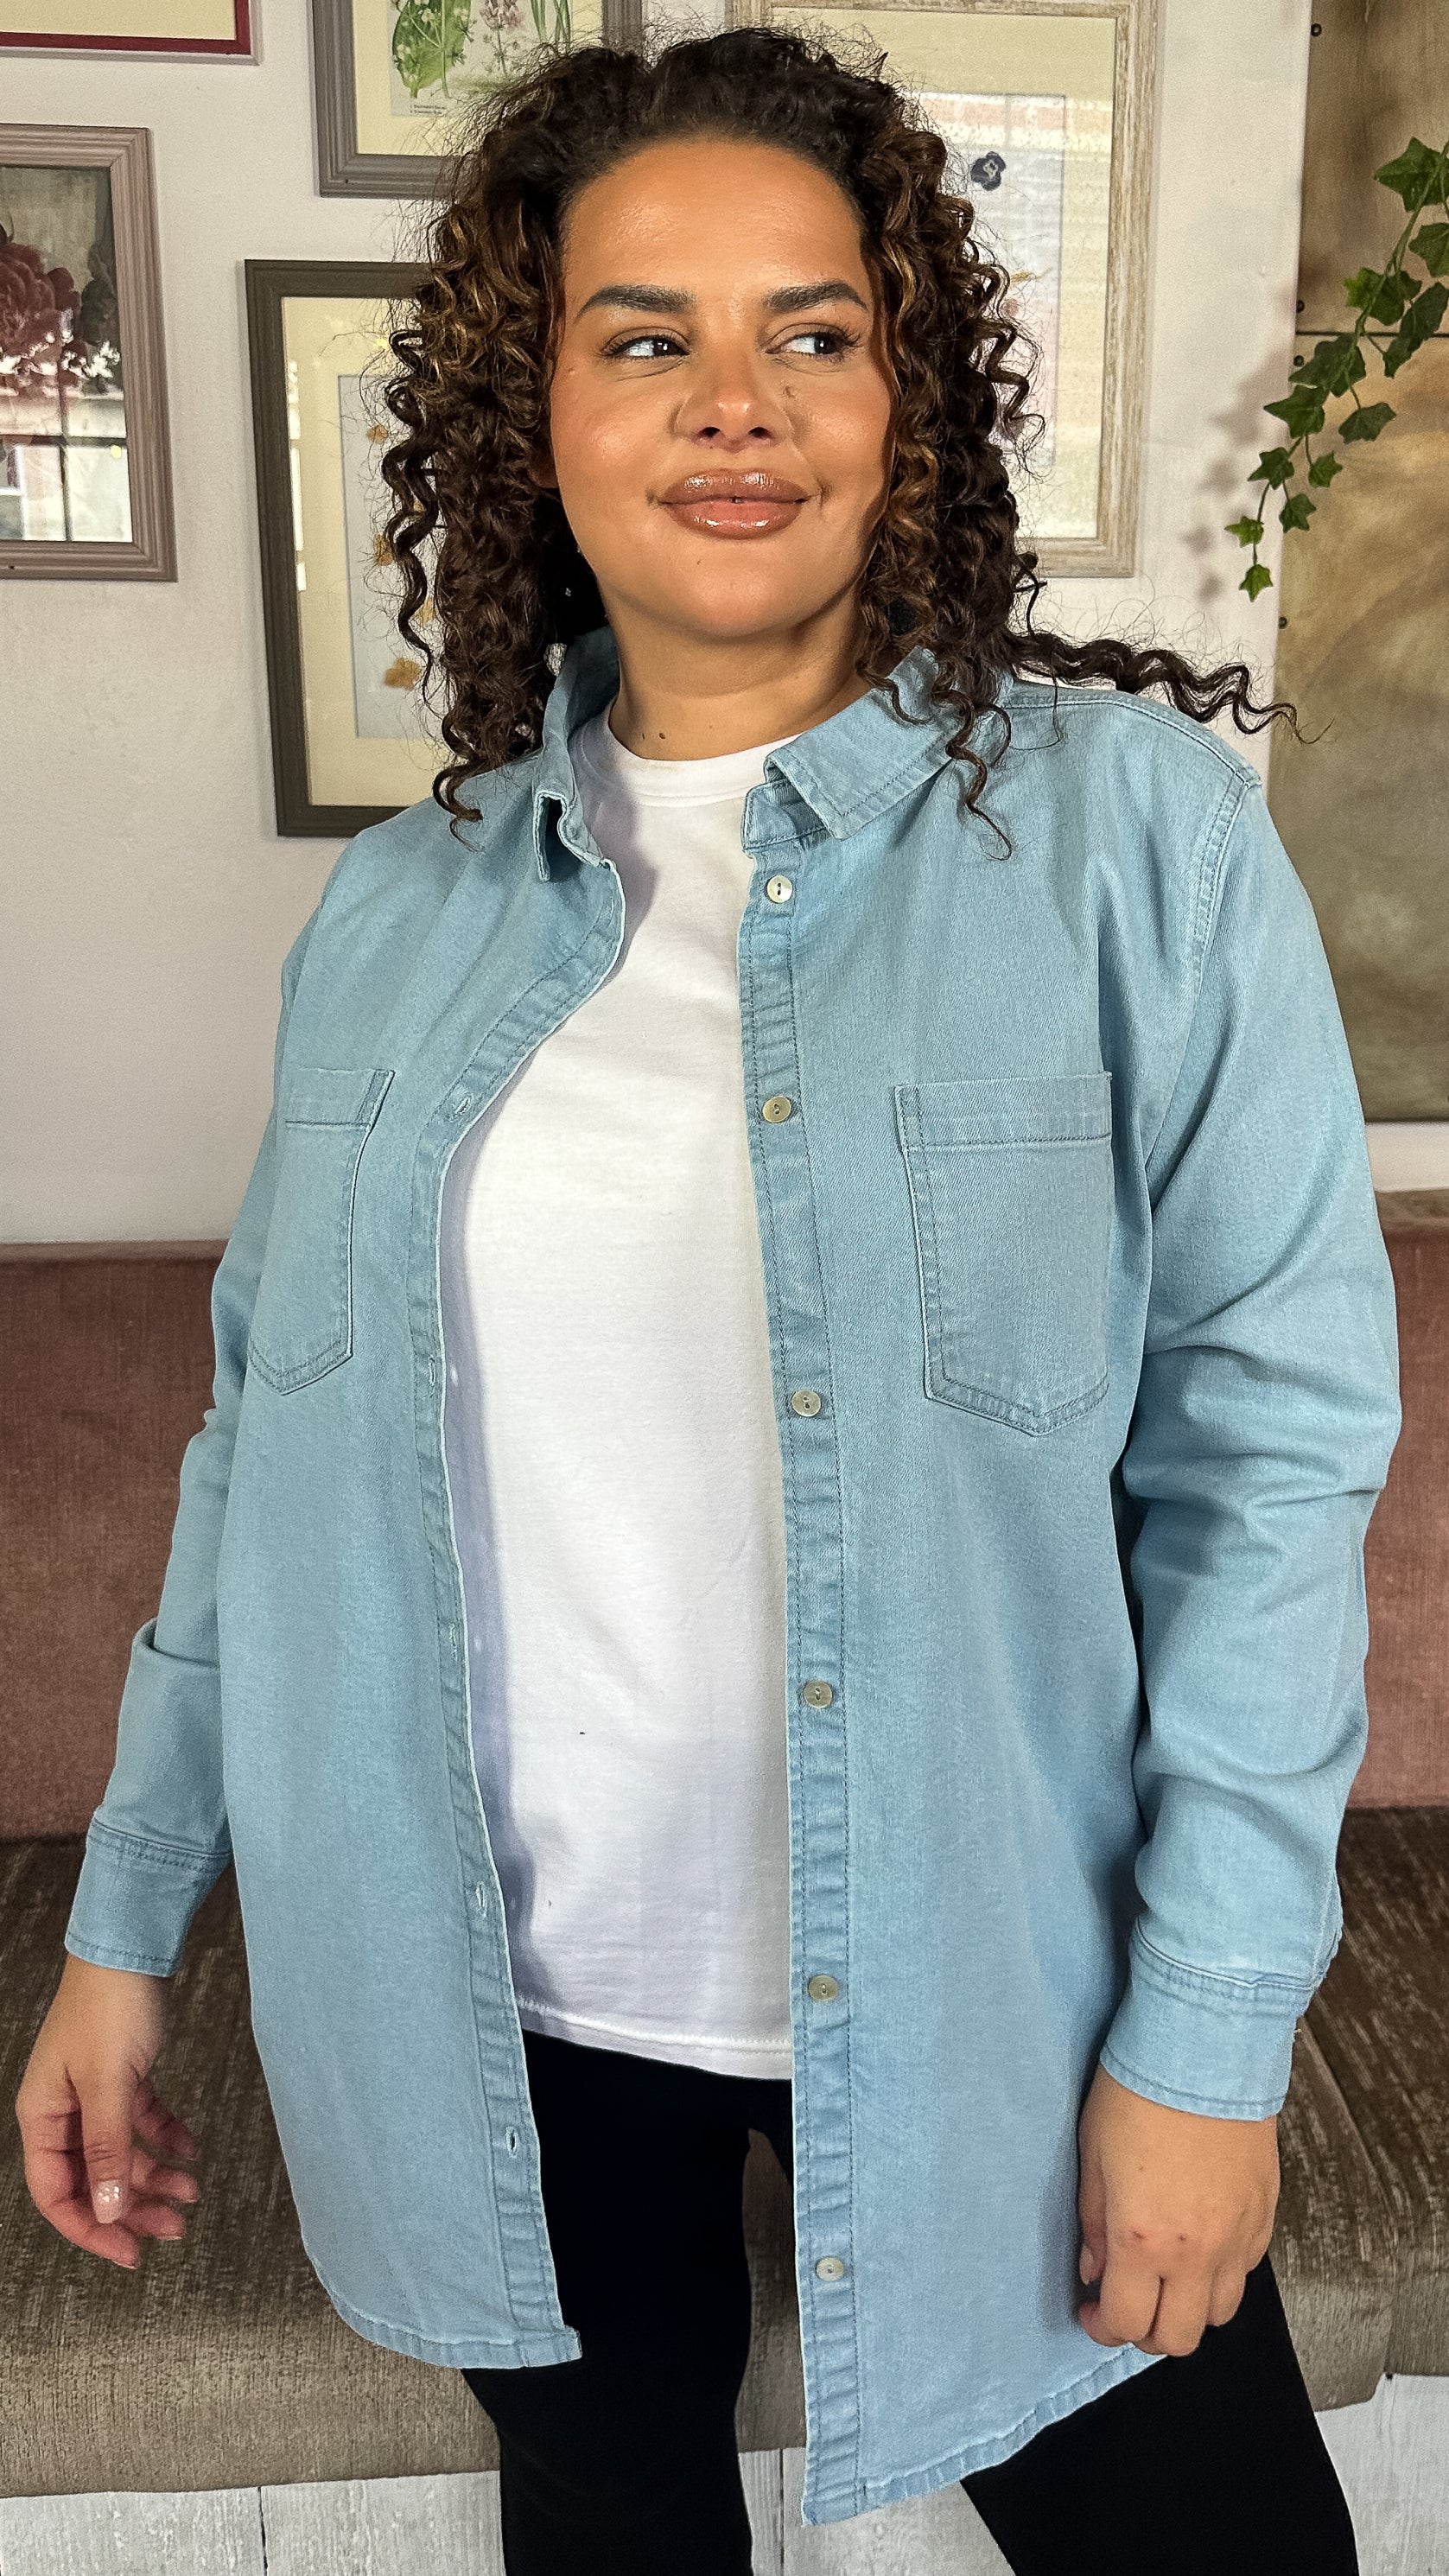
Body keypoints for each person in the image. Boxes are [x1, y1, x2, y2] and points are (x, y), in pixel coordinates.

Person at [16, 26, 1401, 2576]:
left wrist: (1209, 2040)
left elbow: (1271, 1473)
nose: (733, 403)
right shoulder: (401, 915)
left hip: (995, 1982)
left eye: (816, 330)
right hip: (495, 2012)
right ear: (529, 411)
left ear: (907, 398)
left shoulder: (1140, 850)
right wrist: (124, 1928)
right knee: (611, 2529)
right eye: (645, 334)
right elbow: (257, 1448)